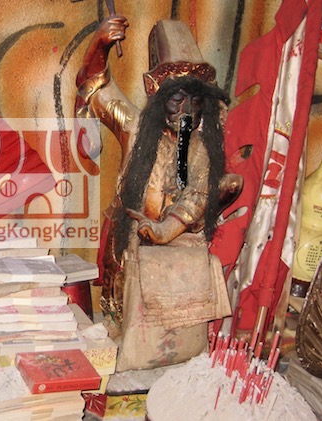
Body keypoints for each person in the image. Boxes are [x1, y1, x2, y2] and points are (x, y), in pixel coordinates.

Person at [76, 16, 241, 369]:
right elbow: (96, 88)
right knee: (119, 319)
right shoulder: (134, 126)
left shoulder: (201, 147)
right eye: (176, 100)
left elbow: (199, 193)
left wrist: (169, 228)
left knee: (170, 327)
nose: (186, 111)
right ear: (156, 93)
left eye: (195, 101)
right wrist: (99, 45)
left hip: (176, 252)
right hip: (128, 244)